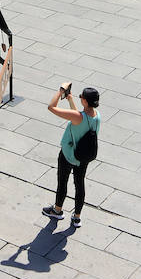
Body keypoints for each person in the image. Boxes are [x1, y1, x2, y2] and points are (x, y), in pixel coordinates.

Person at [41, 84, 100, 229]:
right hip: (83, 158)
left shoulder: (78, 117)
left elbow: (51, 107)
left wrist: (60, 91)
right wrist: (71, 100)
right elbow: (80, 119)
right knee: (79, 185)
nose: (80, 98)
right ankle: (77, 218)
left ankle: (57, 210)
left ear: (85, 101)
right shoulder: (97, 116)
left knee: (63, 182)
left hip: (68, 155)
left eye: (82, 97)